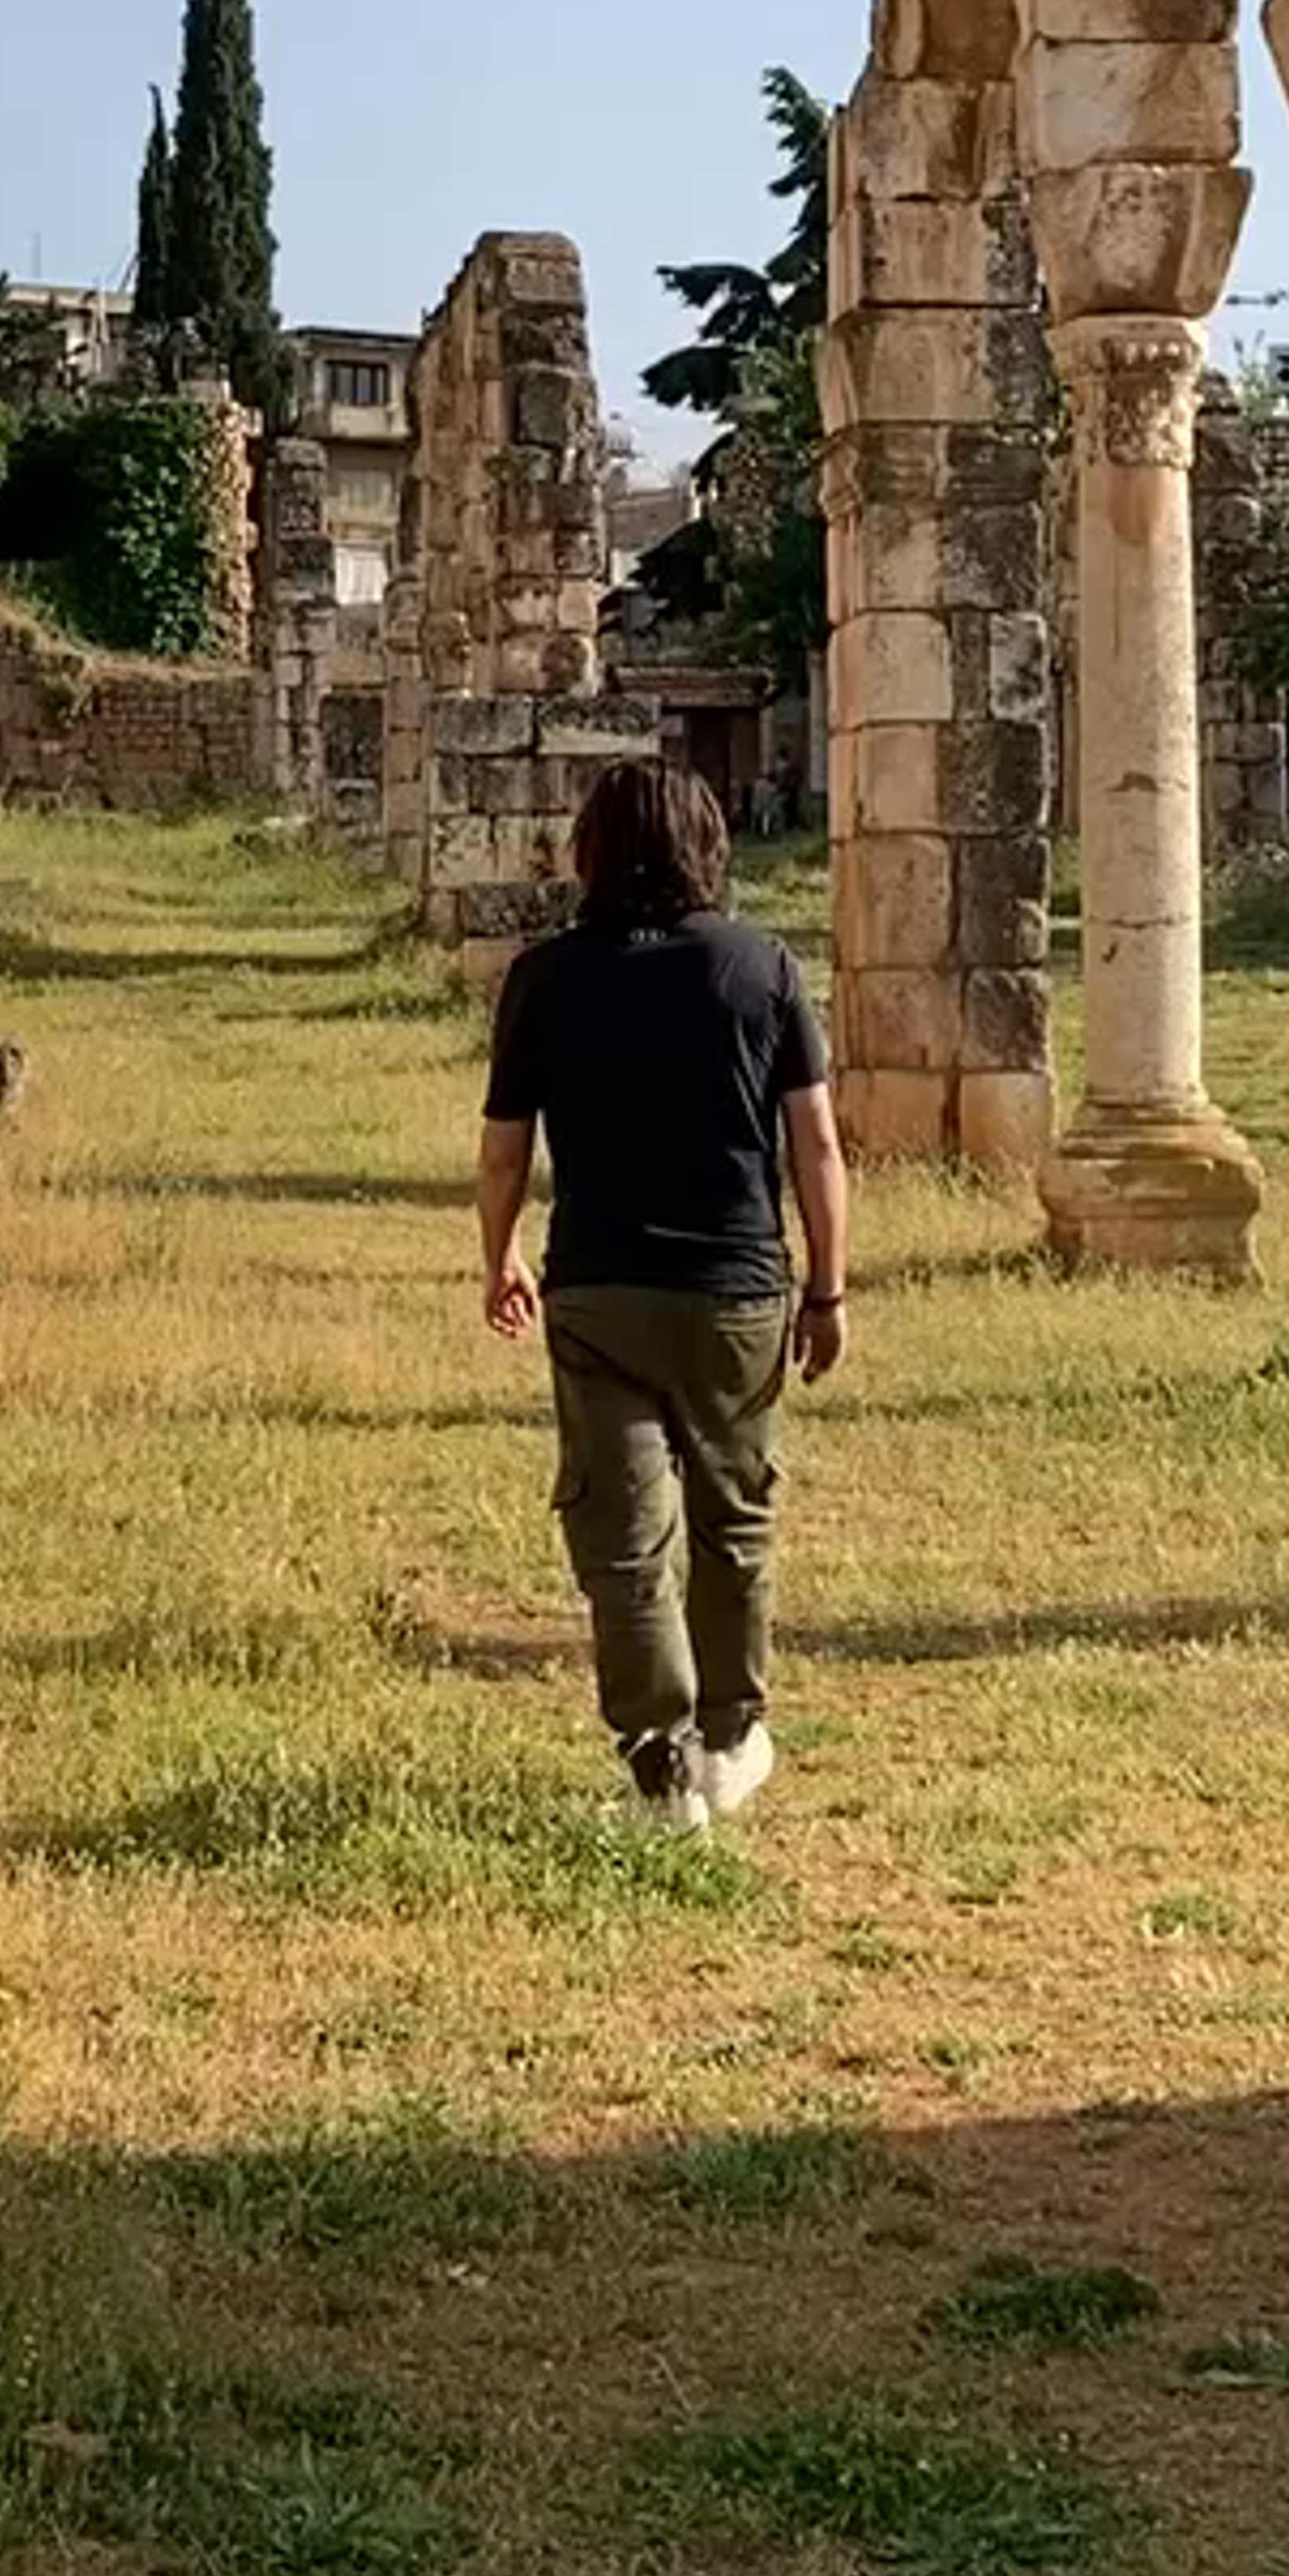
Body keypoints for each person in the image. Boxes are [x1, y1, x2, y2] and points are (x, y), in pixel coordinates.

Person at [476, 759, 848, 1833]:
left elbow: (507, 1149)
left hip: (597, 1288)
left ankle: (658, 1757)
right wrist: (827, 1287)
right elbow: (816, 1142)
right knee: (734, 1515)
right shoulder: (762, 966)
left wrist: (498, 1255)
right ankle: (733, 1731)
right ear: (708, 847)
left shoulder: (544, 976)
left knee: (620, 1535)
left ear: (589, 851)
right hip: (735, 1288)